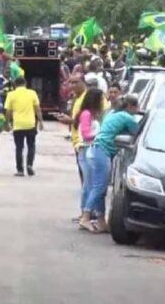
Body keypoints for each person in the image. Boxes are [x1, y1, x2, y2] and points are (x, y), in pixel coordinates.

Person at [84, 95, 140, 233]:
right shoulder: (127, 118)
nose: (138, 110)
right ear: (131, 106)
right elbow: (137, 133)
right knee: (99, 188)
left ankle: (101, 221)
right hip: (102, 152)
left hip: (94, 150)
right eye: (137, 107)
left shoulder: (112, 113)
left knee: (99, 188)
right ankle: (85, 217)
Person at [74, 88, 106, 233]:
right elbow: (86, 135)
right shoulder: (86, 114)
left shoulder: (93, 115)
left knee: (92, 184)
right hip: (86, 148)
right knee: (90, 184)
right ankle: (85, 215)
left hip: (90, 148)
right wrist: (100, 135)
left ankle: (94, 216)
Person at [4, 76, 43, 176]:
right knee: (31, 146)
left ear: (15, 85)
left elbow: (8, 111)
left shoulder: (11, 95)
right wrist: (41, 122)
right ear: (25, 83)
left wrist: (7, 123)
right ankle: (29, 165)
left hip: (18, 125)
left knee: (19, 147)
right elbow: (37, 109)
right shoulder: (32, 93)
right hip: (30, 124)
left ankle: (20, 170)